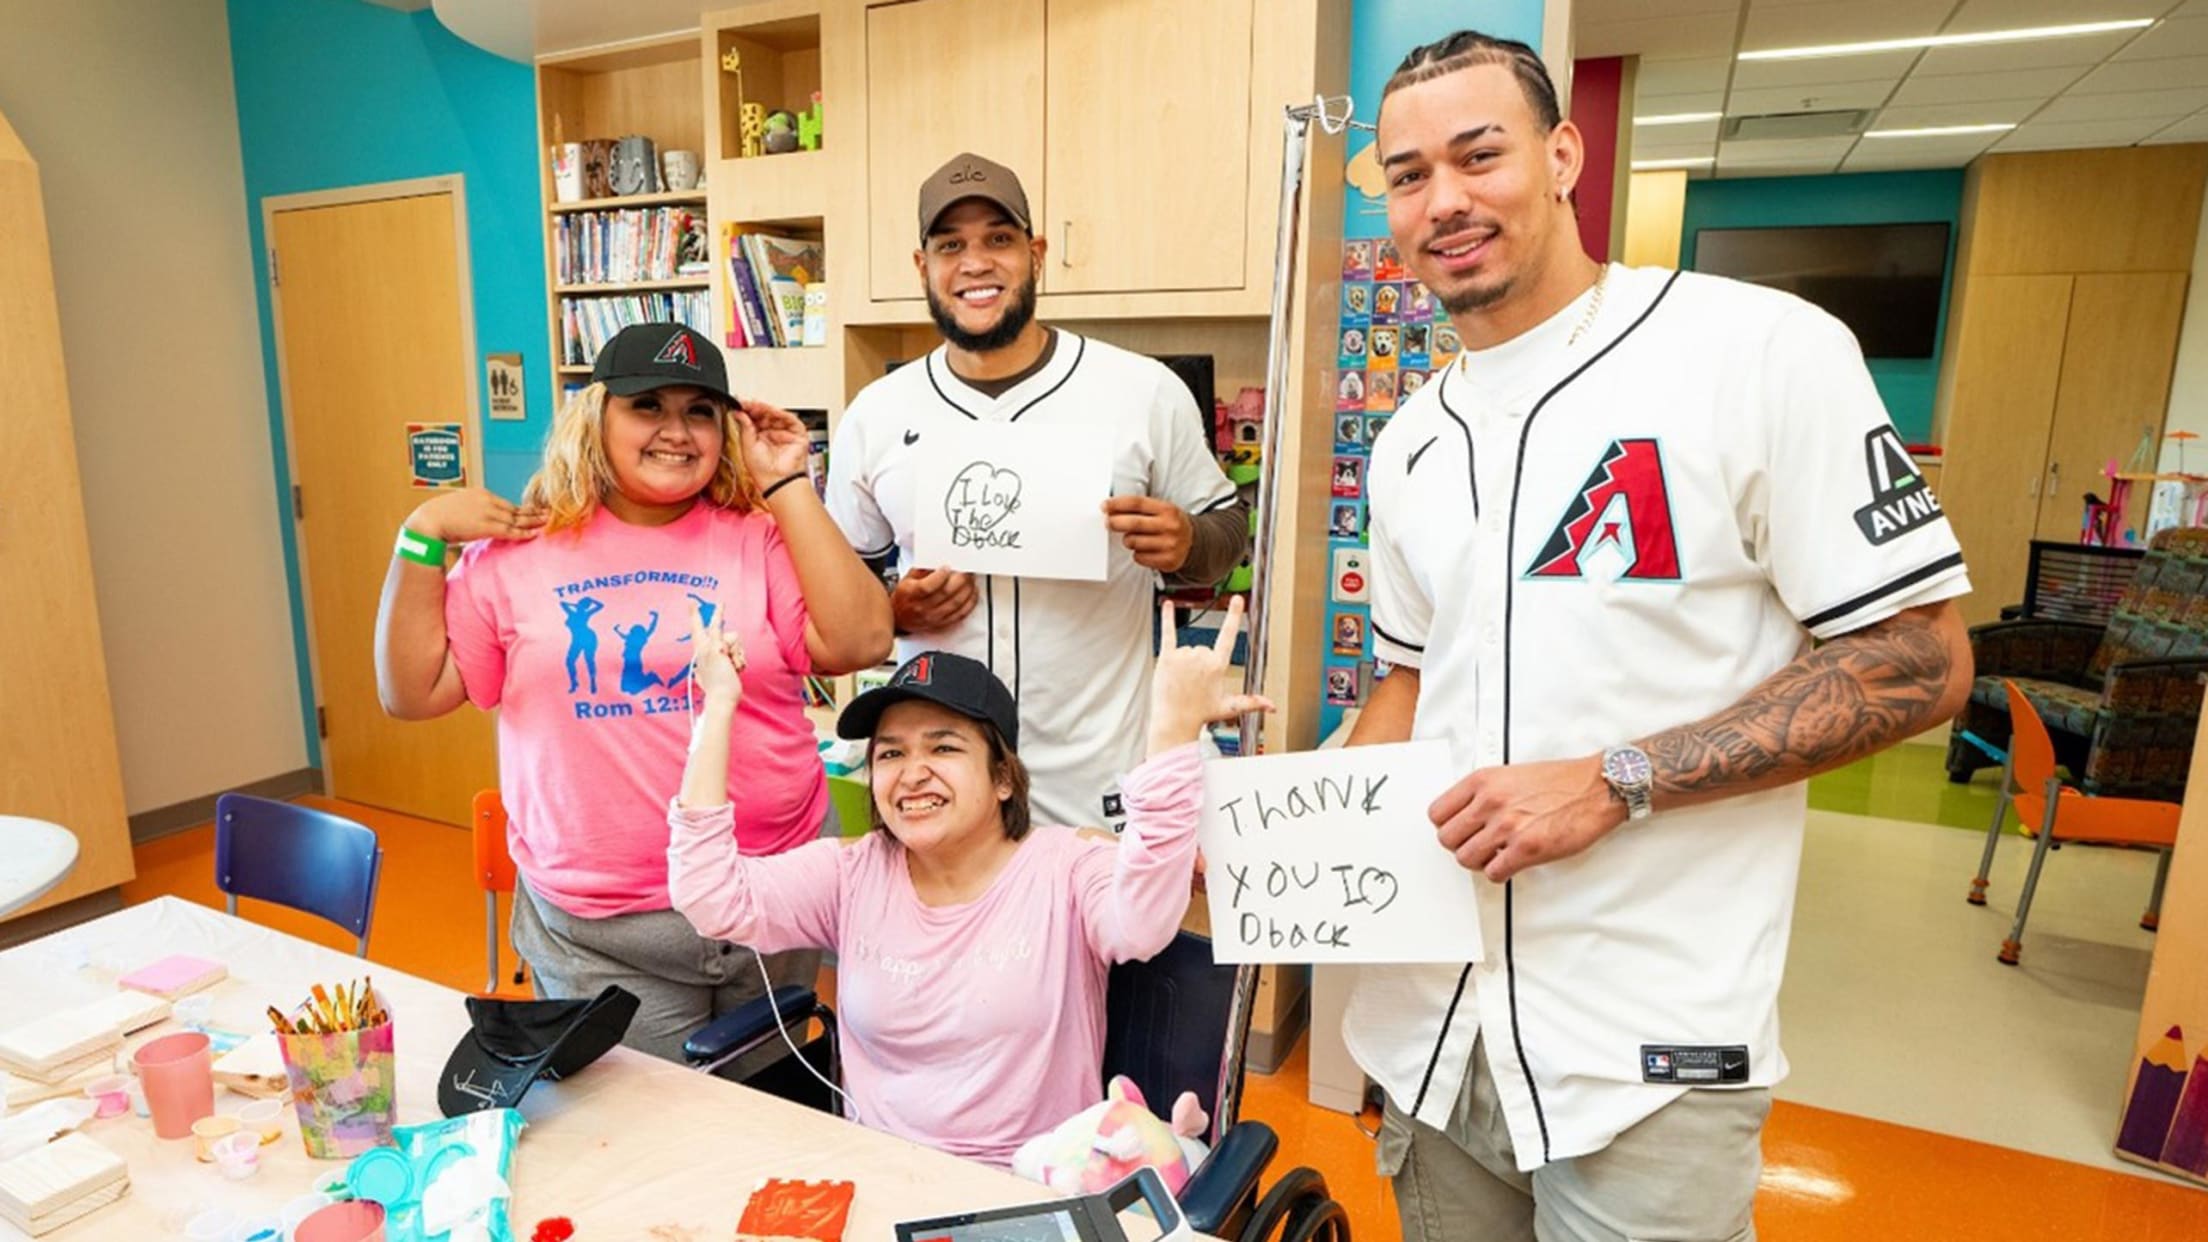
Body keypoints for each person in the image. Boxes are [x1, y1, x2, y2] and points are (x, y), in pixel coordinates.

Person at [1347, 30, 1974, 1242]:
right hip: (1433, 1035)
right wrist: (1288, 839)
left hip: (1646, 1047)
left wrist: (1616, 780)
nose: (1445, 200)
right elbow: (1409, 684)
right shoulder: (1411, 439)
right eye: (1410, 175)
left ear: (1562, 155)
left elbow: (1921, 659)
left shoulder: (1753, 353)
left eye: (1479, 155)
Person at [374, 322, 893, 1065]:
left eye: (699, 412)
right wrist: (420, 538)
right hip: (607, 929)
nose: (676, 431)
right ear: (596, 419)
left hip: (767, 893)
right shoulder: (516, 553)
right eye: (647, 405)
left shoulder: (758, 536)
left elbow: (862, 640)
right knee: (641, 1125)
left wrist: (785, 485)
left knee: (768, 1107)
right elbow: (412, 692)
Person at [665, 598, 1268, 1165]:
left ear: (1004, 778)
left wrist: (1171, 733)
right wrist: (718, 708)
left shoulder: (1065, 868)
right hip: (880, 1180)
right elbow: (711, 896)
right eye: (890, 754)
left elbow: (1142, 924)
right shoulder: (850, 873)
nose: (913, 774)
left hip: (1030, 1189)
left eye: (944, 748)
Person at [824, 152, 1248, 832]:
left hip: (1099, 769)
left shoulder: (1141, 390)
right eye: (950, 245)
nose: (975, 263)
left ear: (1038, 254)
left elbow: (1227, 530)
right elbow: (841, 590)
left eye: (999, 238)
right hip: (940, 783)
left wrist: (1187, 541)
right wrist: (894, 612)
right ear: (922, 266)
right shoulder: (876, 413)